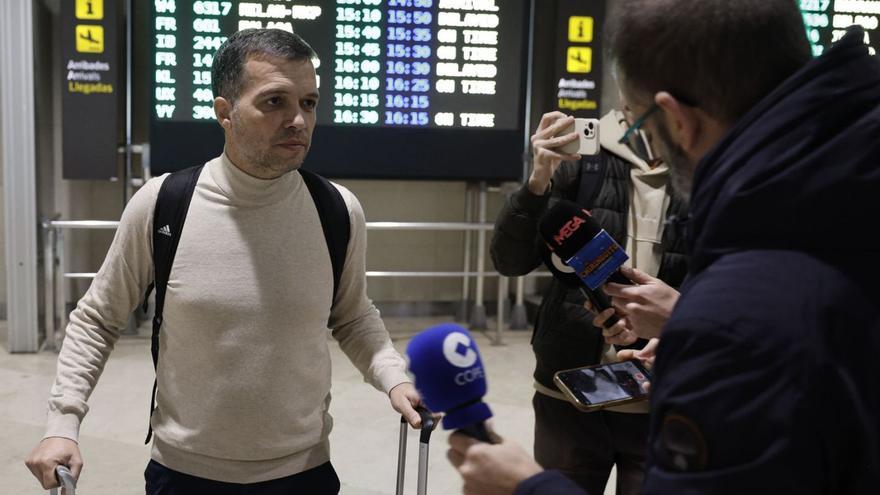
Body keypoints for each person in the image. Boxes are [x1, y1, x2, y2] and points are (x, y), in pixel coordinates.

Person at [451, 0, 880, 493]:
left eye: (643, 125)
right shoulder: (837, 193)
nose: (640, 136)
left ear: (678, 120)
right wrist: (686, 324)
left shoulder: (741, 291)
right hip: (579, 389)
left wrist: (525, 487)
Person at [26, 29, 423, 494]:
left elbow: (353, 315)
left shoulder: (337, 210)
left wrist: (395, 380)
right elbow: (97, 318)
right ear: (225, 113)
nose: (298, 120)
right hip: (185, 474)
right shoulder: (164, 203)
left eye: (309, 103)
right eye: (275, 102)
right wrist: (62, 422)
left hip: (303, 472)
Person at [490, 104, 688, 494]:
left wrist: (682, 326)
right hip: (569, 391)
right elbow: (510, 261)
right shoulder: (583, 157)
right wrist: (538, 179)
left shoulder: (705, 169)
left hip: (662, 395)